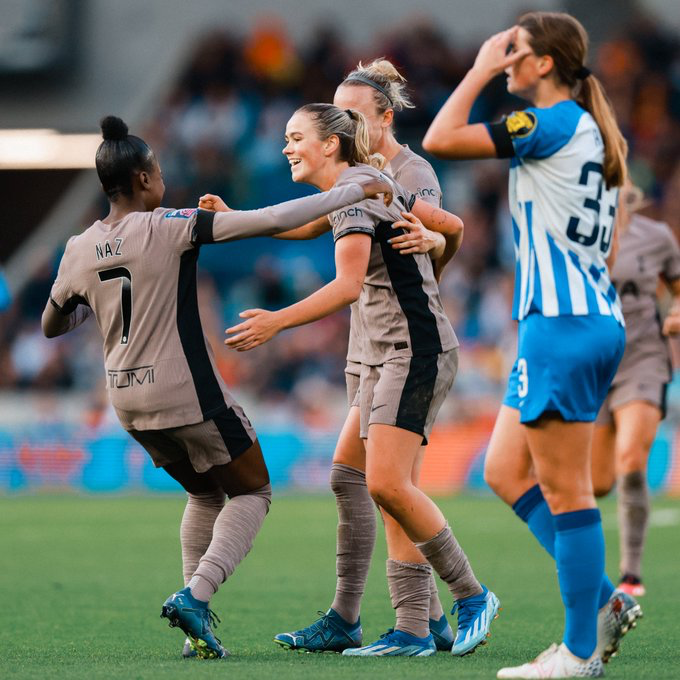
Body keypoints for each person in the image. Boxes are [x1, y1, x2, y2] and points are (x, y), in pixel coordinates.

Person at [40, 115, 394, 660]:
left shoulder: (77, 247)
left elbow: (51, 324)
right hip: (186, 392)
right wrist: (351, 188)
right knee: (253, 490)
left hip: (127, 402)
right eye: (155, 169)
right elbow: (274, 216)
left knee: (204, 491)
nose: (161, 177)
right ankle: (195, 596)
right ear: (140, 180)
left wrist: (95, 308)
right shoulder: (171, 224)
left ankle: (194, 634)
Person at [201, 59, 486, 657]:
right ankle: (375, 619)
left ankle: (441, 610)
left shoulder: (400, 175)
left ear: (376, 120)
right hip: (377, 349)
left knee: (389, 483)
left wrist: (441, 242)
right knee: (354, 478)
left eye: (349, 115)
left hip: (410, 346)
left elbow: (434, 230)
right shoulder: (359, 183)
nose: (288, 148)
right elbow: (304, 223)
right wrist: (233, 219)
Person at [423, 12, 641, 678]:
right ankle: (602, 603)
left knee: (569, 492)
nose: (507, 59)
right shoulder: (587, 130)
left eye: (516, 51)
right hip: (571, 320)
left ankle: (579, 653)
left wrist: (480, 67)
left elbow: (440, 137)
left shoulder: (551, 122)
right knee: (504, 471)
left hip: (563, 322)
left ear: (545, 63)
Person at [591, 182, 680, 597]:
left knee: (631, 461)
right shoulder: (578, 233)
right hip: (593, 363)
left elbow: (678, 289)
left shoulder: (656, 237)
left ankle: (631, 572)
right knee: (598, 483)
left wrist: (676, 311)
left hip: (643, 357)